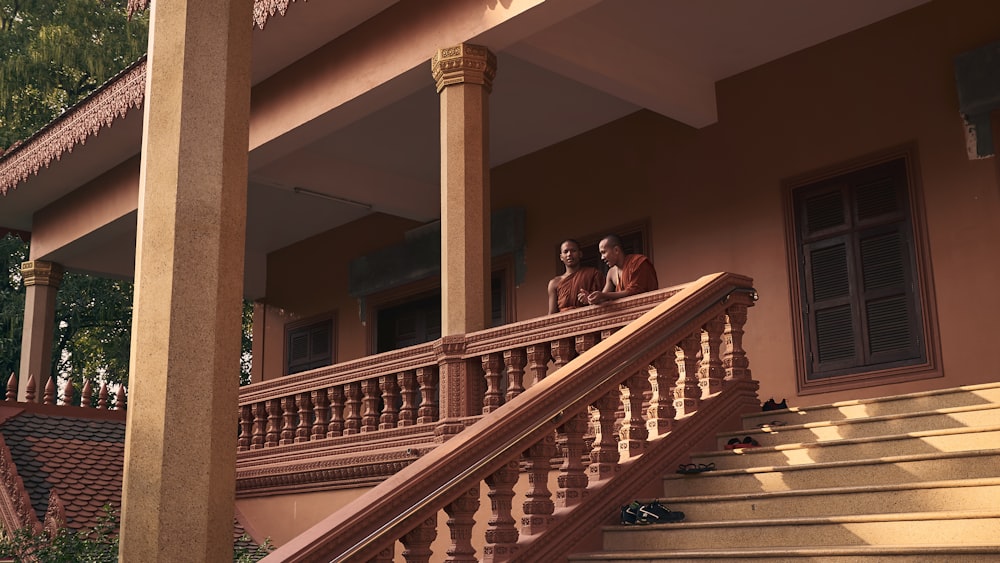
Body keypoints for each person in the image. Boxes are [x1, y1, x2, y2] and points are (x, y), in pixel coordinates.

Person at [586, 234, 658, 305]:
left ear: (616, 250)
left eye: (604, 252)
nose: (602, 257)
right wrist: (590, 298)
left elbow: (634, 292)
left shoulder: (638, 262)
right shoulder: (611, 272)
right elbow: (602, 297)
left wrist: (603, 295)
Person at [547, 239, 604, 314]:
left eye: (573, 251)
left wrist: (590, 299)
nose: (569, 254)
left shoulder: (593, 273)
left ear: (580, 254)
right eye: (565, 251)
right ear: (561, 257)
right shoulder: (554, 283)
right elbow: (552, 314)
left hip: (589, 317)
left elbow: (605, 299)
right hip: (564, 322)